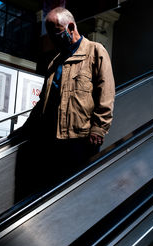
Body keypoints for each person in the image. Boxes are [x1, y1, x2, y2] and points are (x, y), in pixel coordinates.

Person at [14, 7, 115, 199]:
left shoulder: (95, 52)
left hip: (81, 140)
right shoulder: (55, 62)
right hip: (53, 142)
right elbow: (43, 102)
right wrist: (24, 130)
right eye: (51, 34)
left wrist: (99, 129)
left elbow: (106, 93)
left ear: (70, 26)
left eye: (57, 33)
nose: (53, 39)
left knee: (79, 193)